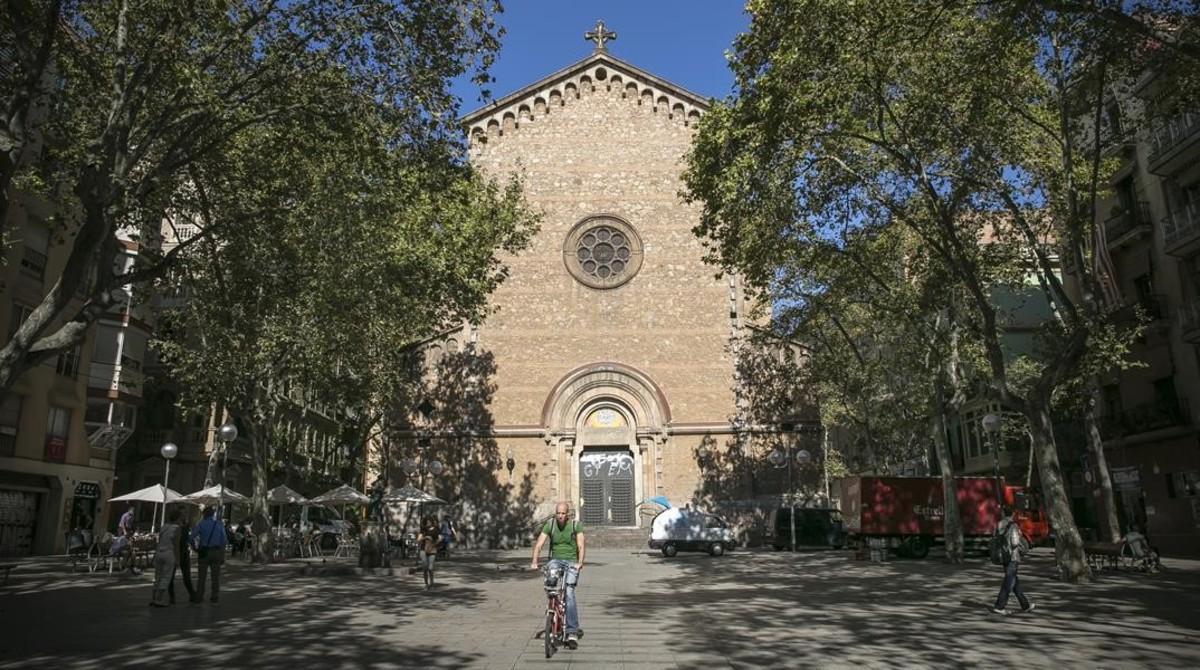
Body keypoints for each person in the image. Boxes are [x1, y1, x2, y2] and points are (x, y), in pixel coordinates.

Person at [530, 501, 586, 647]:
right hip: (555, 561)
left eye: (563, 513)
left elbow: (581, 545)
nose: (560, 516)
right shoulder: (550, 525)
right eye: (558, 513)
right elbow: (539, 544)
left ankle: (572, 632)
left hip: (571, 562)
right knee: (551, 584)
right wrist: (534, 561)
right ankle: (552, 613)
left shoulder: (575, 525)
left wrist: (579, 562)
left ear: (567, 514)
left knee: (569, 593)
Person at [991, 506, 1035, 615]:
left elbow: (995, 538)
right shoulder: (1013, 525)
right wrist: (1021, 543)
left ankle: (1025, 605)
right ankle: (999, 606)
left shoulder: (999, 524)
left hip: (1003, 556)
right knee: (1009, 582)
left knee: (1014, 581)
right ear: (1013, 513)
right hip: (1013, 557)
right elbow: (1015, 543)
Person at [191, 506, 228, 604]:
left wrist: (194, 548)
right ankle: (214, 596)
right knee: (215, 577)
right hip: (216, 552)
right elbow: (224, 541)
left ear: (204, 514)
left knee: (201, 577)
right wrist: (222, 555)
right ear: (213, 514)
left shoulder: (201, 524)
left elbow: (191, 537)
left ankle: (199, 596)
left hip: (204, 552)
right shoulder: (219, 524)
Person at [150, 508, 181, 607]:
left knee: (157, 576)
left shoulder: (164, 527)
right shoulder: (177, 528)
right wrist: (177, 559)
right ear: (178, 518)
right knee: (166, 577)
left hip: (159, 552)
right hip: (169, 553)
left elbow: (159, 541)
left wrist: (155, 554)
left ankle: (154, 598)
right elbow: (176, 545)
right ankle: (159, 599)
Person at [170, 509, 197, 604]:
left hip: (181, 552)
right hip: (177, 552)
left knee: (185, 576)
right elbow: (188, 539)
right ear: (179, 516)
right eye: (183, 513)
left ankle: (191, 594)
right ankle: (172, 596)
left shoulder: (182, 527)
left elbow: (189, 539)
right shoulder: (179, 527)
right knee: (172, 576)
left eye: (185, 513)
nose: (185, 515)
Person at [416, 516, 439, 590]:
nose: (428, 523)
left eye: (429, 521)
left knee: (430, 568)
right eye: (426, 522)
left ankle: (431, 583)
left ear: (432, 522)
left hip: (432, 550)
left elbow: (439, 539)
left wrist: (434, 543)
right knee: (425, 567)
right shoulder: (423, 530)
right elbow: (418, 540)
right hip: (423, 550)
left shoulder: (435, 530)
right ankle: (426, 584)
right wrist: (425, 538)